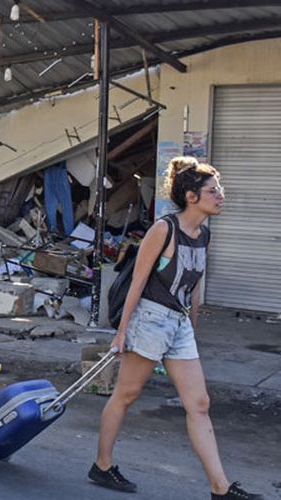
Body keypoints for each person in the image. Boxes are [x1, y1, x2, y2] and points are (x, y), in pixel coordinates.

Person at [88, 157, 263, 499]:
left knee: (199, 403)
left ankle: (220, 488)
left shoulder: (203, 235)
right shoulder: (163, 230)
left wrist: (191, 326)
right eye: (213, 191)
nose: (221, 195)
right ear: (191, 197)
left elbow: (194, 286)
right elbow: (137, 281)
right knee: (126, 395)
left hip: (178, 324)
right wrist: (121, 332)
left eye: (220, 189)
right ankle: (102, 465)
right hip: (150, 319)